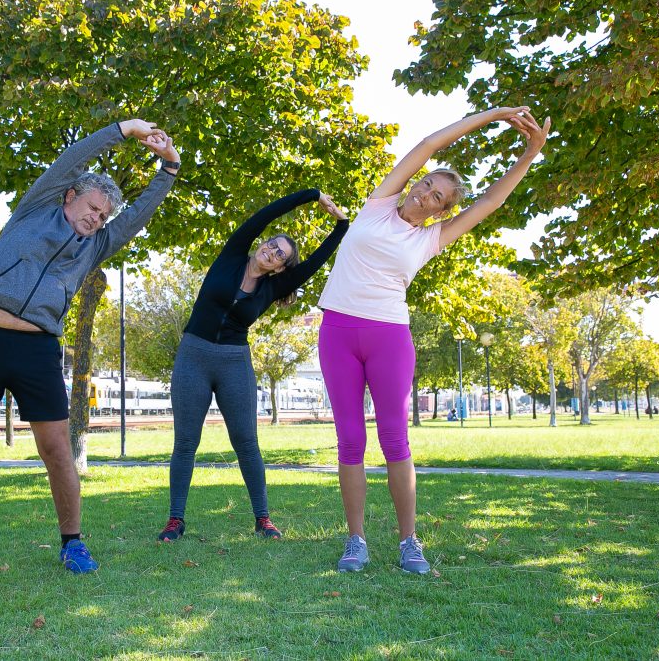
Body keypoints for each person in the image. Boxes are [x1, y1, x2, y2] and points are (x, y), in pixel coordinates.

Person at [0, 119, 181, 578]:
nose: (97, 219)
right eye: (92, 208)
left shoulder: (96, 244)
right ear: (71, 197)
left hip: (38, 351)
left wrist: (168, 168)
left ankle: (73, 544)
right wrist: (123, 130)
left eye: (103, 216)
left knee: (56, 450)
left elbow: (139, 215)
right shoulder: (37, 208)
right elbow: (70, 162)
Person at [317, 107, 550, 574]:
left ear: (443, 211)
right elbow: (428, 144)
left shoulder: (429, 240)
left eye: (439, 198)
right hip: (338, 332)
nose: (427, 195)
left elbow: (491, 204)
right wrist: (494, 116)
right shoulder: (379, 203)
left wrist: (530, 152)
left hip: (388, 337)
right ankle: (356, 540)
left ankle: (409, 542)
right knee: (349, 441)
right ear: (416, 183)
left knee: (395, 441)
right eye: (427, 185)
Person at [158, 189, 349, 543]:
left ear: (280, 267)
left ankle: (263, 519)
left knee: (246, 441)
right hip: (193, 355)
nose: (272, 252)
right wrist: (313, 196)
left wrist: (341, 226)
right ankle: (175, 520)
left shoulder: (275, 287)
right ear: (262, 244)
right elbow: (267, 212)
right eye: (272, 245)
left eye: (281, 255)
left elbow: (317, 261)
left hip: (233, 362)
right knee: (186, 442)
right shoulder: (233, 255)